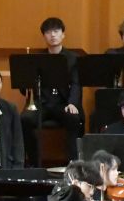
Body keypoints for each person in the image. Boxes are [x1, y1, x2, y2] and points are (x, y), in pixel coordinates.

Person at [21, 14, 84, 166]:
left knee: (74, 118)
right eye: (48, 32)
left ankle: (73, 163)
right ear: (44, 36)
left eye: (56, 31)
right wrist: (26, 83)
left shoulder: (73, 58)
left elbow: (76, 83)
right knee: (25, 119)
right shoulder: (37, 58)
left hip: (64, 103)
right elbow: (24, 89)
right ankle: (34, 162)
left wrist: (72, 103)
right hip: (42, 103)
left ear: (63, 34)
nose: (53, 35)